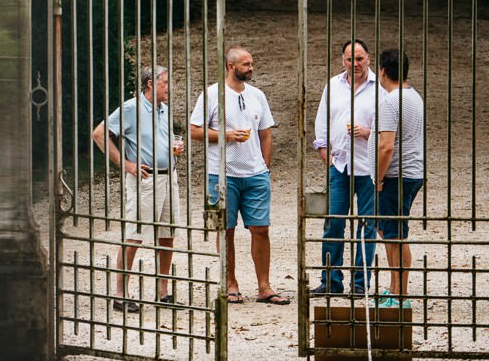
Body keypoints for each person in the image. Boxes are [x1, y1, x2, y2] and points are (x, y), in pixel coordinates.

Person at [188, 47, 288, 304]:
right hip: (219, 176)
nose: (251, 68)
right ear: (231, 66)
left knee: (261, 229)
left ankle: (264, 286)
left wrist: (265, 168)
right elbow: (194, 132)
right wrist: (227, 136)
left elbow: (266, 133)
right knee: (224, 230)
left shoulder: (258, 95)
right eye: (246, 64)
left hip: (255, 176)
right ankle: (230, 284)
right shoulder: (211, 95)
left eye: (252, 63)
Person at [92, 66, 181, 312]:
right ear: (150, 83)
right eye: (165, 83)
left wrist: (175, 148)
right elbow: (99, 134)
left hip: (169, 177)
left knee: (167, 234)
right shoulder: (132, 108)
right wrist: (126, 164)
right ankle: (120, 294)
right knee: (135, 235)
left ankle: (163, 293)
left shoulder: (164, 109)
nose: (168, 88)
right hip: (145, 180)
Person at [310, 39, 379, 296]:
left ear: (368, 59)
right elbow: (322, 120)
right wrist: (325, 152)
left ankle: (361, 285)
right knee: (333, 223)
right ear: (343, 61)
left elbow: (388, 130)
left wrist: (368, 132)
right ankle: (331, 281)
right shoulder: (333, 86)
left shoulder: (379, 89)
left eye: (360, 59)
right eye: (350, 59)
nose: (355, 64)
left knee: (367, 225)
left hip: (369, 168)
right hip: (339, 165)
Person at [373, 48, 424, 308]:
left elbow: (386, 146)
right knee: (389, 230)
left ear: (382, 70)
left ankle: (400, 294)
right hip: (410, 172)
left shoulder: (391, 101)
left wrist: (378, 178)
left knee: (395, 234)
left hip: (397, 175)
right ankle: (394, 288)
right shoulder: (413, 97)